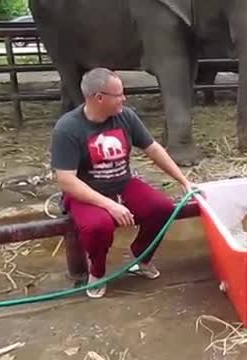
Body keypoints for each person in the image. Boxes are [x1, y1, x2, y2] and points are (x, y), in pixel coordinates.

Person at [49, 67, 195, 299]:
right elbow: (66, 180)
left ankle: (141, 256)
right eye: (118, 94)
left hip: (122, 183)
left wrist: (184, 181)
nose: (124, 98)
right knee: (98, 226)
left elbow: (153, 148)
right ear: (99, 97)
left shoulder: (125, 116)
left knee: (163, 208)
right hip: (87, 192)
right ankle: (97, 272)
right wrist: (110, 205)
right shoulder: (68, 128)